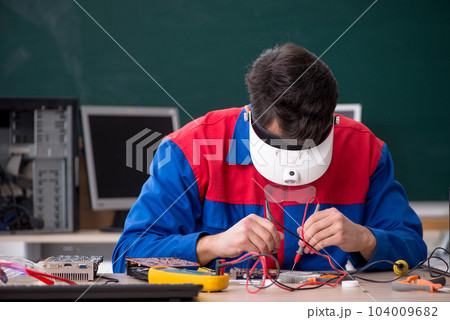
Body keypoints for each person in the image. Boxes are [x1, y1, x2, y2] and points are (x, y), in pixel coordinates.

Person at [112, 43, 427, 273]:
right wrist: (211, 245)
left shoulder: (365, 150)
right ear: (251, 117)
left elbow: (412, 248)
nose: (294, 158)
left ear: (331, 119)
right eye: (281, 143)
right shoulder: (190, 149)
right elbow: (128, 254)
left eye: (308, 144)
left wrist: (364, 238)